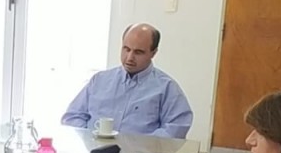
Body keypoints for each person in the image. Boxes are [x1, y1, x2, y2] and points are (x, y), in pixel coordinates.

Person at [61, 23, 193, 138]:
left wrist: (141, 145)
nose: (129, 57)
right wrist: (89, 138)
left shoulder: (166, 88)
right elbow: (72, 117)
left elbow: (176, 128)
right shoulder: (99, 80)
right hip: (94, 151)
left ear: (153, 53)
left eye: (138, 52)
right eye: (126, 49)